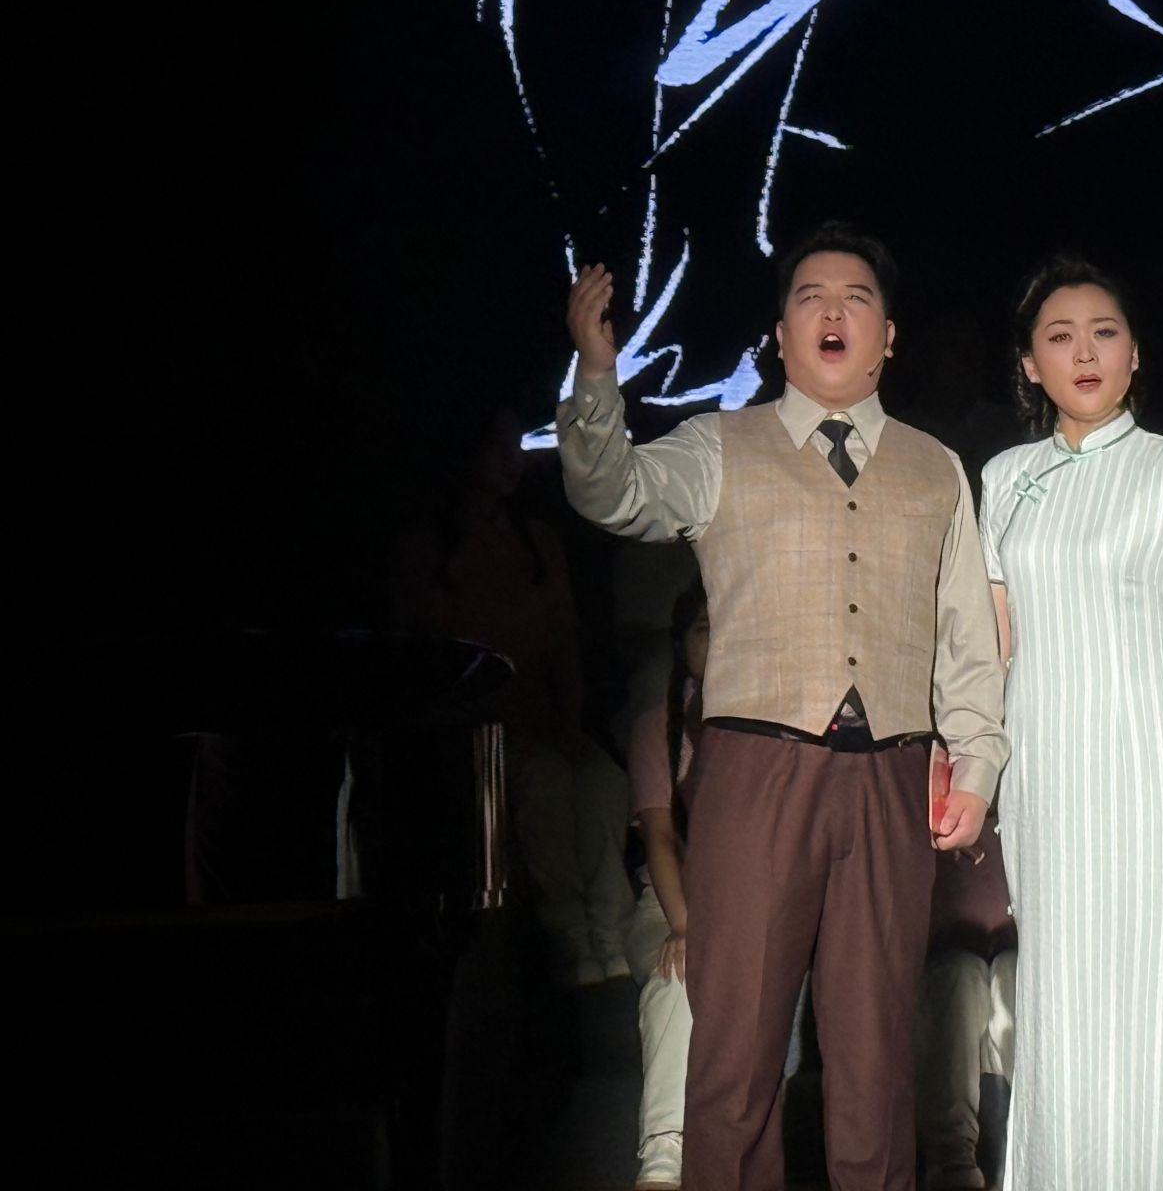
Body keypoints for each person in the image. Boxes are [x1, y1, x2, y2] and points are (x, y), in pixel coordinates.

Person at [558, 224, 1008, 1191]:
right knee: (737, 1057)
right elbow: (612, 492)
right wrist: (597, 378)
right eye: (811, 297)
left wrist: (976, 765)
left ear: (889, 335)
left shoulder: (935, 467)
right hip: (758, 772)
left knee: (876, 1061)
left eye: (856, 297)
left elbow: (967, 633)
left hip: (891, 773)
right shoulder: (721, 444)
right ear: (780, 333)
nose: (833, 311)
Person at [980, 257, 1163, 1190]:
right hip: (1045, 763)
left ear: (1134, 353)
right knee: (1058, 991)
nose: (1084, 352)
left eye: (1103, 333)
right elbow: (996, 636)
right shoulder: (1005, 476)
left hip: (1145, 764)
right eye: (1060, 336)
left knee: (1146, 990)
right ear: (1030, 364)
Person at [391, 402, 633, 987]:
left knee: (602, 780)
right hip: (469, 730)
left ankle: (611, 933)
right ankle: (569, 936)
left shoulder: (536, 541)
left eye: (516, 446)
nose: (512, 460)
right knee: (544, 784)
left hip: (538, 719)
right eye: (497, 446)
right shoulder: (427, 546)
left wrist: (569, 721)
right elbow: (415, 651)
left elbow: (564, 644)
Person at [620, 591, 707, 1189]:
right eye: (703, 629)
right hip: (668, 902)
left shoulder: (757, 727)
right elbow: (658, 839)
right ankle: (662, 1158)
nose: (716, 642)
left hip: (742, 909)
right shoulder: (659, 725)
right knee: (676, 977)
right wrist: (684, 926)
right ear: (680, 643)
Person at [914, 811, 1017, 1191]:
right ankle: (952, 1166)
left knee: (1011, 973)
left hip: (1012, 963)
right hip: (943, 972)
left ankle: (1022, 1151)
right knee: (959, 975)